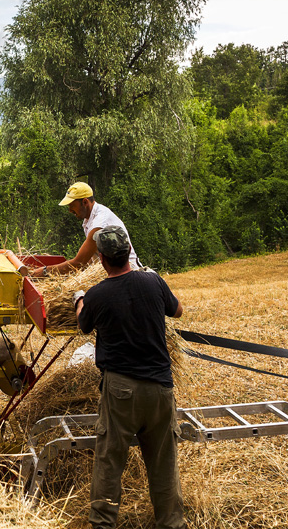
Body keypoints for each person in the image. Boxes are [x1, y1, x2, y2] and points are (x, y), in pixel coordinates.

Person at [74, 226, 185, 529]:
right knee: (163, 463)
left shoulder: (97, 295)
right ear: (127, 253)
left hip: (121, 390)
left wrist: (79, 299)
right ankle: (172, 523)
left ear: (101, 259)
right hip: (161, 388)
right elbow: (177, 311)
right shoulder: (152, 281)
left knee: (110, 460)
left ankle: (103, 524)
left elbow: (83, 325)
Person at [33, 181, 140, 277]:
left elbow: (79, 262)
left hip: (126, 274)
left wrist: (45, 271)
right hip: (110, 273)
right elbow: (89, 259)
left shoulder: (99, 223)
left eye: (72, 205)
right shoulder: (89, 219)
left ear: (85, 202)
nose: (70, 210)